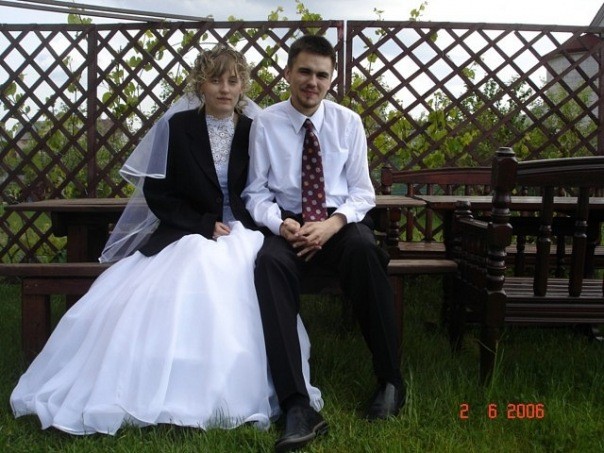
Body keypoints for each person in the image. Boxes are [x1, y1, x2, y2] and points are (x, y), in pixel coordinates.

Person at [10, 45, 322, 435]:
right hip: (188, 230)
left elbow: (268, 187)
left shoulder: (255, 128)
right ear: (200, 84)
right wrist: (203, 224)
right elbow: (158, 195)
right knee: (188, 266)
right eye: (215, 80)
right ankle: (161, 377)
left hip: (245, 230)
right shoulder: (177, 127)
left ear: (243, 85)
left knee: (243, 271)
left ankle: (236, 382)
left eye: (233, 80)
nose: (225, 89)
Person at [243, 34, 406, 452]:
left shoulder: (348, 122)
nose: (312, 82)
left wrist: (332, 225)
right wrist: (280, 224)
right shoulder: (266, 123)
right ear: (288, 73)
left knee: (366, 251)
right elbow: (255, 192)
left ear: (331, 79)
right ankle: (296, 404)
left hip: (338, 223)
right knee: (269, 265)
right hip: (290, 224)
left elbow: (363, 193)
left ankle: (390, 380)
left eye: (321, 74)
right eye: (304, 72)